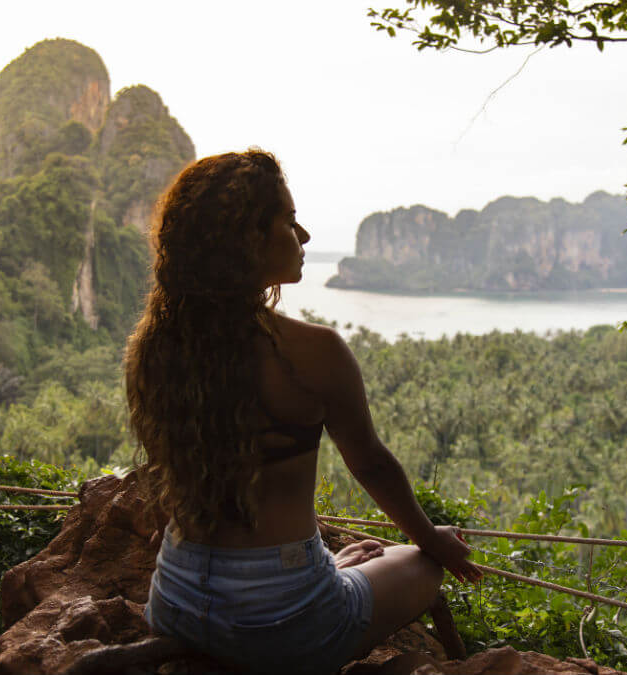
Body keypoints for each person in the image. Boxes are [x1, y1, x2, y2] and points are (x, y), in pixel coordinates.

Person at [124, 149, 482, 675]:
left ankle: (320, 575)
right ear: (248, 239)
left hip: (175, 602)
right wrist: (434, 540)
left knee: (351, 565)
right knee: (419, 566)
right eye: (290, 222)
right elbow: (372, 464)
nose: (305, 237)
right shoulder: (313, 352)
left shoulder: (152, 349)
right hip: (283, 626)